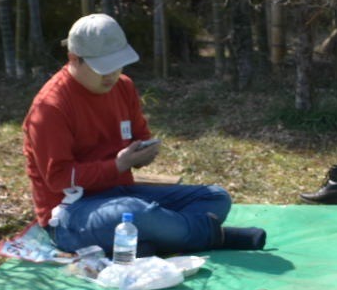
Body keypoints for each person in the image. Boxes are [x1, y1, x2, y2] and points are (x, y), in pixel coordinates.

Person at [24, 13, 265, 254]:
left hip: (122, 193)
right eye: (102, 68)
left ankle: (160, 239)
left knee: (216, 197)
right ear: (74, 59)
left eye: (117, 65)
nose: (111, 75)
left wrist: (144, 153)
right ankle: (213, 236)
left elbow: (138, 135)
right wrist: (117, 165)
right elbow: (58, 179)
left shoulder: (123, 86)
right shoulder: (50, 107)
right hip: (70, 213)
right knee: (137, 214)